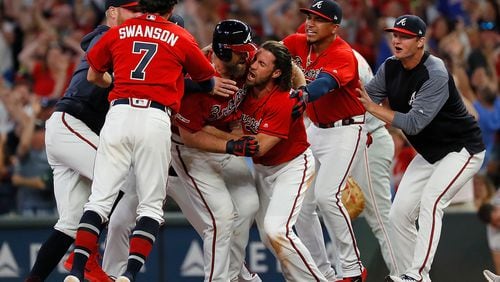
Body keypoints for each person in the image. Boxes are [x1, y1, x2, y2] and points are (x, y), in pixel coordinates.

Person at [64, 0, 216, 281]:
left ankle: (75, 271)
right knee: (150, 205)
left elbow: (93, 74)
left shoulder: (120, 30)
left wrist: (114, 79)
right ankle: (129, 275)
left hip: (119, 113)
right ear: (170, 9)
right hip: (154, 118)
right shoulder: (181, 35)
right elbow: (207, 82)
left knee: (98, 202)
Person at [357, 14, 486, 282]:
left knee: (431, 201)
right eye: (395, 35)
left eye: (404, 36)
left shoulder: (435, 72)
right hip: (430, 154)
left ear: (421, 42)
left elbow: (414, 124)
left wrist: (374, 109)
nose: (397, 40)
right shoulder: (390, 66)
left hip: (462, 149)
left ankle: (417, 273)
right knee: (399, 214)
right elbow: (366, 98)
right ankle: (411, 276)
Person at [25, 2, 142, 281]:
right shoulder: (108, 36)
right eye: (131, 10)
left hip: (74, 134)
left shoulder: (121, 38)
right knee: (122, 178)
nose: (138, 16)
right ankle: (88, 256)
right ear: (113, 12)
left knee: (69, 224)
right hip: (71, 124)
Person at [282, 0, 367, 280]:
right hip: (316, 128)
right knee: (302, 204)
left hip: (346, 129)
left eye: (318, 19)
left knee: (326, 196)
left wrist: (303, 93)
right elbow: (267, 54)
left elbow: (325, 84)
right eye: (309, 17)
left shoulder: (343, 53)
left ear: (334, 27)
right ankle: (324, 272)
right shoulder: (297, 43)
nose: (310, 23)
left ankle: (353, 269)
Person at [172, 19, 261, 282]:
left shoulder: (243, 62)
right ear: (224, 52)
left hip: (222, 143)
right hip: (188, 150)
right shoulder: (196, 79)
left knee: (248, 205)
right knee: (220, 218)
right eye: (241, 50)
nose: (248, 55)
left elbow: (279, 57)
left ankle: (234, 276)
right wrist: (231, 143)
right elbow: (191, 136)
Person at [240, 40, 327, 282]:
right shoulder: (248, 84)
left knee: (278, 230)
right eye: (255, 60)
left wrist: (221, 141)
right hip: (262, 169)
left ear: (276, 73)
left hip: (293, 166)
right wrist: (303, 86)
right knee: (270, 238)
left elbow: (259, 147)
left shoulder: (283, 100)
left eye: (261, 63)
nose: (253, 66)